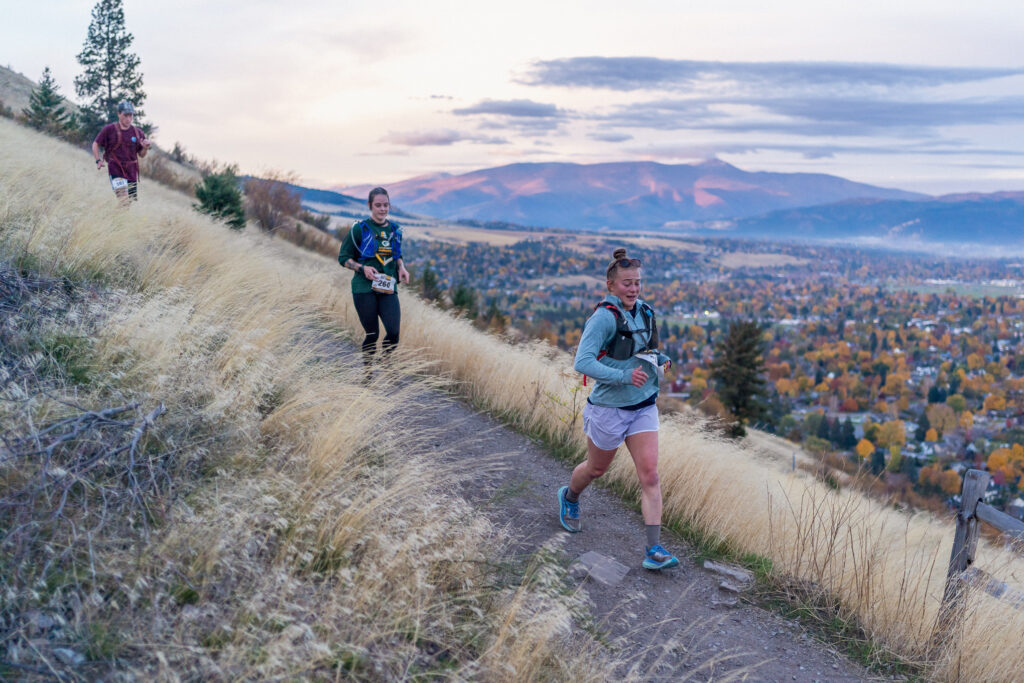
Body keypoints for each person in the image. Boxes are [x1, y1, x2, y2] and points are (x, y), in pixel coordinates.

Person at [558, 247, 679, 570]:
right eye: (627, 283)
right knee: (596, 469)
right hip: (610, 408)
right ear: (610, 285)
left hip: (643, 406)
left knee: (650, 475)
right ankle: (569, 497)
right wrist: (624, 376)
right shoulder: (602, 318)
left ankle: (654, 550)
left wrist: (660, 358)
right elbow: (581, 362)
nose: (634, 288)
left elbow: (645, 349)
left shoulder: (645, 312)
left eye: (637, 282)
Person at [337, 187, 410, 373]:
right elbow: (343, 258)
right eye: (378, 205)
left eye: (386, 205)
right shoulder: (359, 229)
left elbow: (397, 254)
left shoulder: (395, 230)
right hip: (364, 289)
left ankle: (386, 361)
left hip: (388, 288)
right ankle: (368, 372)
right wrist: (362, 268)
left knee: (393, 333)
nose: (382, 209)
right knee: (372, 334)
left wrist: (401, 267)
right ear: (370, 206)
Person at [92, 101, 150, 204]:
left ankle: (114, 219)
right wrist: (98, 160)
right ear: (119, 114)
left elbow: (141, 155)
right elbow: (95, 144)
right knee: (124, 200)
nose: (128, 119)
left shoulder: (138, 133)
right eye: (125, 115)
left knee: (128, 204)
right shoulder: (109, 129)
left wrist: (145, 148)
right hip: (116, 169)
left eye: (130, 115)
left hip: (132, 172)